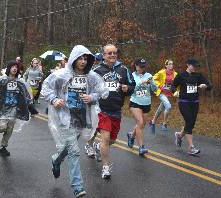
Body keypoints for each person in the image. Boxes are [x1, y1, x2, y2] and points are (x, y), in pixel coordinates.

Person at [42, 45, 108, 197]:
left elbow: (102, 91)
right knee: (74, 151)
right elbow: (46, 87)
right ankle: (77, 186)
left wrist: (91, 97)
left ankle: (56, 160)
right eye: (80, 58)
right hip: (65, 118)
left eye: (86, 58)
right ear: (73, 59)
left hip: (82, 117)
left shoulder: (91, 77)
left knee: (68, 147)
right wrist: (54, 99)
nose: (83, 61)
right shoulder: (61, 75)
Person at [90, 44, 134, 179]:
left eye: (114, 53)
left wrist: (128, 88)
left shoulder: (124, 69)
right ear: (104, 55)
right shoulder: (97, 71)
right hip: (101, 109)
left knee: (112, 140)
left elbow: (133, 85)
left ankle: (98, 147)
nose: (113, 55)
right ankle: (105, 167)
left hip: (116, 109)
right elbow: (90, 88)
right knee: (105, 137)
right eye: (109, 53)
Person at [0, 60, 32, 157]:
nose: (14, 68)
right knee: (2, 127)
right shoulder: (2, 80)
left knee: (9, 129)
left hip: (14, 109)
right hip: (2, 108)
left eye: (16, 67)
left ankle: (3, 147)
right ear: (9, 68)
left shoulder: (20, 82)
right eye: (13, 67)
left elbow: (26, 95)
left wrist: (30, 106)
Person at [172, 59, 212, 156]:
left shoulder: (198, 76)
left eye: (196, 66)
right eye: (193, 66)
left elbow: (210, 86)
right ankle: (191, 147)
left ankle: (179, 135)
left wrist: (205, 86)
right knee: (189, 121)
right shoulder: (181, 75)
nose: (195, 68)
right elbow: (173, 86)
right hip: (183, 102)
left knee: (191, 124)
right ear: (188, 65)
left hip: (195, 103)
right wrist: (175, 92)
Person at [126, 58, 157, 156]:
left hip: (146, 103)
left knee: (142, 124)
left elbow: (154, 89)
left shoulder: (149, 75)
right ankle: (141, 147)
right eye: (140, 66)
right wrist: (141, 83)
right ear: (136, 65)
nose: (142, 68)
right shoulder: (131, 76)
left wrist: (152, 83)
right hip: (135, 102)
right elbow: (130, 90)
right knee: (140, 122)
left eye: (144, 66)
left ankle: (131, 135)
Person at [149, 59, 179, 133]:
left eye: (172, 64)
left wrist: (177, 91)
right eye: (169, 64)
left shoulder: (175, 74)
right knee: (168, 106)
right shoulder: (162, 72)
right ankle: (164, 123)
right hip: (161, 93)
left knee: (161, 108)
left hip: (169, 94)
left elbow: (178, 84)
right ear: (166, 65)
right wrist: (160, 86)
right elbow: (153, 79)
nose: (171, 65)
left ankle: (152, 122)